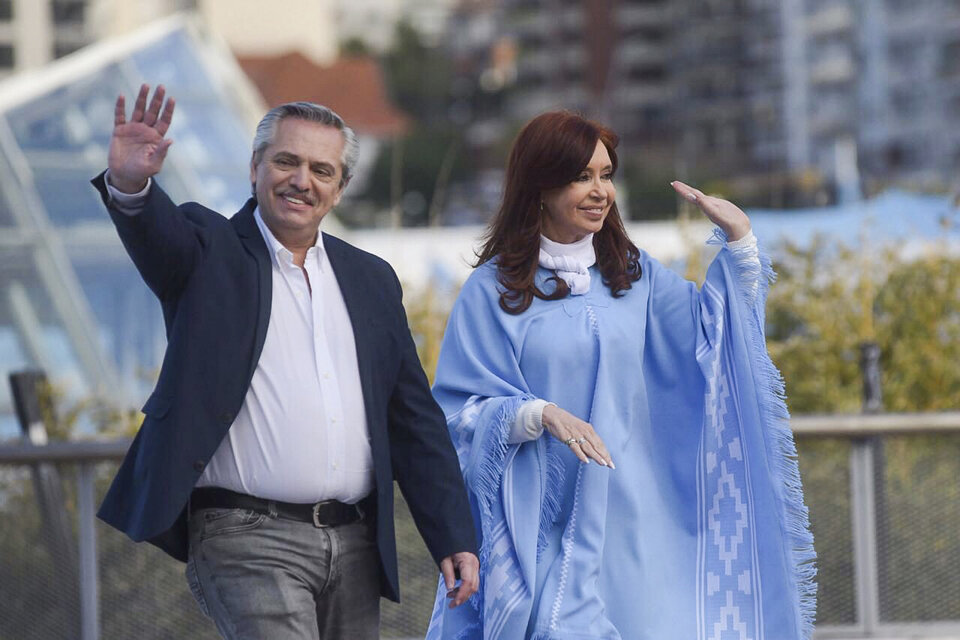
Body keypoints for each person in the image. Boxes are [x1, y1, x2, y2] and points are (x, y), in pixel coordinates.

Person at [93, 84, 479, 639]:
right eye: (287, 161)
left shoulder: (370, 279)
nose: (302, 180)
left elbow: (414, 420)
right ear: (255, 168)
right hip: (244, 535)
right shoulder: (207, 248)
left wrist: (453, 535)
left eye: (322, 170)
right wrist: (131, 184)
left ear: (340, 189)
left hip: (354, 543)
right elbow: (159, 238)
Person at [425, 112, 816, 639]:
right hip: (538, 533)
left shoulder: (635, 277)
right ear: (539, 185)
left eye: (606, 175)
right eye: (580, 176)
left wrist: (739, 239)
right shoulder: (492, 292)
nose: (599, 191)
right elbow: (455, 416)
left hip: (634, 526)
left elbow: (717, 339)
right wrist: (539, 415)